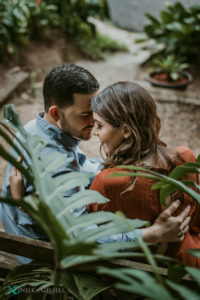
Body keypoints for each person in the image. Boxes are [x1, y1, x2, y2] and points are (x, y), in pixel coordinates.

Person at [1, 65, 191, 263]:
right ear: (56, 114)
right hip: (43, 253)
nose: (95, 120)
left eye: (95, 111)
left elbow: (79, 164)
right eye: (85, 114)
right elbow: (83, 239)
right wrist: (153, 234)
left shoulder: (37, 127)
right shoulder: (52, 167)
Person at [87, 81, 200, 267]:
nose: (94, 132)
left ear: (125, 131)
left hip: (137, 281)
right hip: (188, 266)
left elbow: (94, 242)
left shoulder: (107, 182)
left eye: (99, 126)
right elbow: (195, 224)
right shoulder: (184, 157)